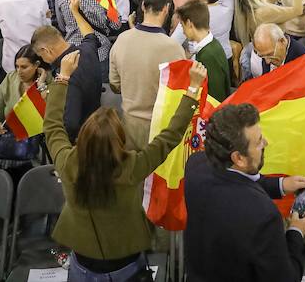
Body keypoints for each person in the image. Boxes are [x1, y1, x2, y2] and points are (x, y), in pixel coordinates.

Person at [48, 52, 206, 281]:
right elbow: (169, 137)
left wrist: (63, 77)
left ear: (82, 137)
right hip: (125, 264)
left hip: (83, 264)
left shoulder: (66, 161)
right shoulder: (132, 166)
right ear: (120, 140)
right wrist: (192, 90)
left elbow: (52, 126)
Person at [182, 101, 305, 282]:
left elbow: (236, 182)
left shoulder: (196, 166)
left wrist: (280, 185)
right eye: (259, 141)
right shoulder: (264, 215)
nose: (265, 142)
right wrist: (296, 231)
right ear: (239, 158)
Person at [109, 0, 184, 148]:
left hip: (129, 126)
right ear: (167, 8)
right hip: (160, 129)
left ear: (143, 6)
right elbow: (179, 94)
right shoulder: (174, 49)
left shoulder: (122, 40)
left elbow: (115, 85)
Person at [32, 21, 102, 143]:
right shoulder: (87, 50)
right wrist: (74, 10)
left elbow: (70, 123)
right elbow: (90, 36)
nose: (44, 60)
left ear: (46, 50)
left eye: (41, 56)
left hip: (80, 140)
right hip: (97, 124)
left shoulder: (67, 76)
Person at [0, 44, 47, 161]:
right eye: (17, 66)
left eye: (24, 67)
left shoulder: (49, 83)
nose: (19, 71)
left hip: (38, 144)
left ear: (37, 65)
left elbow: (50, 115)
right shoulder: (10, 79)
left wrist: (41, 86)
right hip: (10, 140)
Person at [177, 0, 230, 100]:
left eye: (182, 25)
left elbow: (215, 95)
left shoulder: (208, 55)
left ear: (189, 24)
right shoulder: (211, 45)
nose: (183, 31)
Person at [240, 22, 305, 83]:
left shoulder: (304, 60)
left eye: (270, 54)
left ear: (282, 41)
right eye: (262, 56)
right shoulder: (266, 50)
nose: (267, 61)